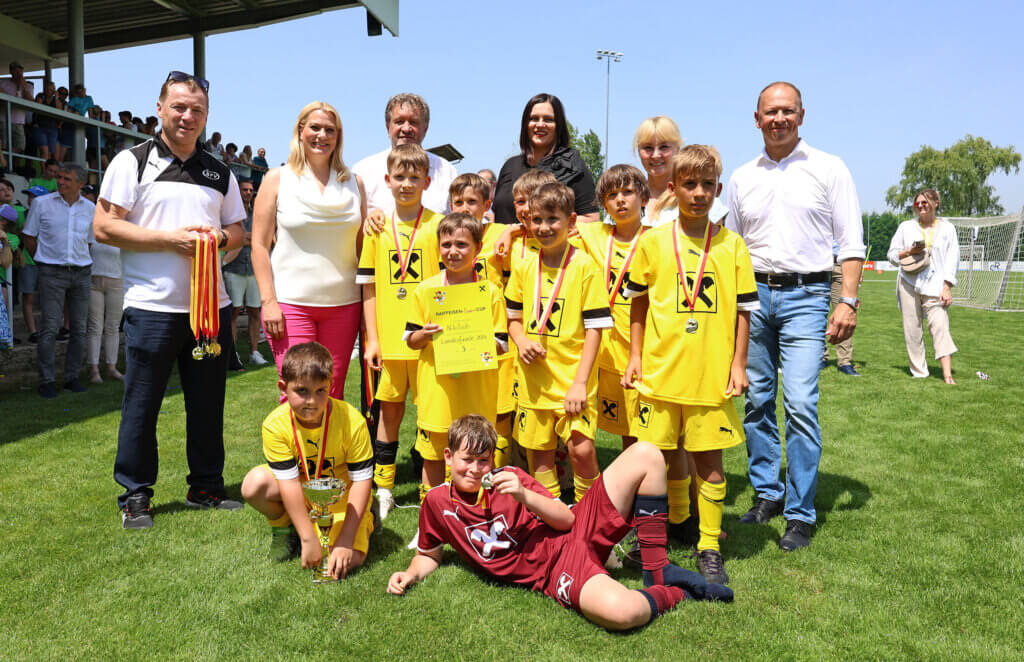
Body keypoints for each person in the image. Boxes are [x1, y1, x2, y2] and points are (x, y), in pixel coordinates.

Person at [387, 415, 733, 631]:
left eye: (483, 460)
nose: (476, 469)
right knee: (624, 613)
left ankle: (657, 570)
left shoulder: (510, 477)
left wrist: (525, 495)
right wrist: (410, 573)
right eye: (467, 460)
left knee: (647, 454)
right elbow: (429, 554)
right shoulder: (435, 502)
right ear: (448, 457)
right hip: (555, 568)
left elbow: (567, 519)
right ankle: (674, 593)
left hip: (574, 528)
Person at [92, 70, 247, 529]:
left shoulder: (219, 171)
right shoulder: (131, 161)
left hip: (208, 307)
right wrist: (169, 241)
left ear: (207, 116)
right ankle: (135, 494)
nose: (187, 116)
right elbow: (104, 226)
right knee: (142, 404)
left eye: (197, 109)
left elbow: (238, 231)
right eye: (179, 106)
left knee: (207, 403)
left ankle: (206, 487)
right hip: (152, 307)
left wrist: (216, 240)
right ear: (160, 108)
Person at [725, 82, 865, 551]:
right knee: (757, 399)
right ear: (757, 118)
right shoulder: (743, 177)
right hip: (754, 298)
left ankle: (801, 514)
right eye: (771, 112)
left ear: (802, 115)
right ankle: (767, 493)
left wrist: (847, 300)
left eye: (787, 111)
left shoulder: (829, 168)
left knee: (800, 403)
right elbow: (733, 248)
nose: (779, 118)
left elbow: (850, 242)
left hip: (808, 294)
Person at [622, 146, 757, 584]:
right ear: (674, 188)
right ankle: (657, 538)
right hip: (660, 373)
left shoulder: (732, 245)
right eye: (689, 185)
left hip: (710, 376)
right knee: (654, 458)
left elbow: (743, 311)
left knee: (710, 463)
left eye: (707, 186)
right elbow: (637, 305)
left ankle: (709, 546)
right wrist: (637, 356)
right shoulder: (652, 242)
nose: (699, 193)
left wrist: (738, 365)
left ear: (718, 189)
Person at [505, 182, 612, 503]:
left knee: (581, 449)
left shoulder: (585, 267)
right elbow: (512, 318)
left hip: (572, 381)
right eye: (536, 220)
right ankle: (550, 519)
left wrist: (580, 383)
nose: (544, 227)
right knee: (539, 454)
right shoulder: (524, 266)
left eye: (552, 219)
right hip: (534, 382)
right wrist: (521, 340)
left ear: (572, 221)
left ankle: (589, 517)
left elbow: (595, 329)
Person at [251, 101, 367, 396]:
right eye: (315, 127)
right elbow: (259, 245)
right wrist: (268, 302)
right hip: (290, 305)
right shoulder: (276, 178)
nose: (322, 135)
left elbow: (363, 248)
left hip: (344, 305)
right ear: (300, 131)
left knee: (332, 395)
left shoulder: (356, 183)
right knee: (297, 394)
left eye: (330, 129)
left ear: (338, 136)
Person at [355, 143, 445, 519]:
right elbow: (369, 287)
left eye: (414, 178)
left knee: (432, 420)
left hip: (429, 344)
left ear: (426, 181)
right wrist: (371, 339)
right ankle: (384, 491)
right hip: (390, 342)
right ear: (387, 181)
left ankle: (434, 497)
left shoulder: (439, 225)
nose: (407, 184)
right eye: (400, 178)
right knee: (388, 417)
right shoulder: (377, 229)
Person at [240, 342, 375, 575]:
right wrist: (307, 536)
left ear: (330, 386)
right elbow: (289, 483)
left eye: (320, 390)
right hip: (302, 493)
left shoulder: (352, 421)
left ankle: (365, 520)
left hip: (343, 499)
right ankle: (284, 530)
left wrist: (345, 538)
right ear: (283, 387)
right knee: (254, 484)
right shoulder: (275, 425)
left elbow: (362, 482)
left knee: (342, 562)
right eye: (302, 391)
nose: (311, 401)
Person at [404, 212, 507, 503]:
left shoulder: (490, 292)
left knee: (479, 455)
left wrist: (476, 336)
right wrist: (425, 334)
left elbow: (501, 343)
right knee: (434, 457)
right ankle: (431, 521)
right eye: (447, 244)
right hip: (438, 392)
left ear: (477, 248)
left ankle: (481, 516)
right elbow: (411, 340)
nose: (453, 251)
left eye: (461, 244)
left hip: (477, 393)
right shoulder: (425, 290)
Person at [571, 164, 650, 453]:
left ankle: (674, 493)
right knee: (626, 430)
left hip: (646, 349)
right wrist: (510, 231)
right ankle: (633, 488)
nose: (620, 199)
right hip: (607, 352)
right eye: (612, 194)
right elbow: (547, 218)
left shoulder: (656, 239)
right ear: (603, 202)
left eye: (628, 192)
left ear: (643, 198)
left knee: (659, 432)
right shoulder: (595, 234)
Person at [448, 173, 515, 467]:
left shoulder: (497, 232)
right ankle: (461, 472)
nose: (465, 208)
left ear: (487, 204)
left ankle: (496, 473)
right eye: (458, 201)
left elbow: (530, 225)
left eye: (472, 202)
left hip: (495, 334)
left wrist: (511, 230)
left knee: (499, 410)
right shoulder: (448, 235)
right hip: (459, 336)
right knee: (462, 408)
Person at [22, 163, 95, 398]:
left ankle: (72, 377)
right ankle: (47, 380)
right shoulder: (42, 204)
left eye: (66, 179)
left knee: (79, 328)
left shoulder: (91, 208)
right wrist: (43, 260)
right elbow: (28, 236)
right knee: (49, 328)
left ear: (80, 184)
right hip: (51, 272)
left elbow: (90, 241)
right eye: (59, 177)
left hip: (82, 272)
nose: (59, 181)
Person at [886, 188, 959, 384]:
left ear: (936, 203)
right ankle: (919, 372)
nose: (921, 206)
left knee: (940, 326)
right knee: (912, 329)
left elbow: (953, 260)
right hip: (908, 283)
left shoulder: (948, 229)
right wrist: (909, 251)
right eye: (917, 203)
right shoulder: (905, 227)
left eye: (925, 202)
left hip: (936, 285)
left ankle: (947, 374)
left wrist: (947, 287)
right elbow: (891, 255)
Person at [492, 94, 600, 225]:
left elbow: (591, 219)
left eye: (548, 119)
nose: (540, 124)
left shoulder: (571, 165)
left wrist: (522, 231)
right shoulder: (510, 166)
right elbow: (497, 215)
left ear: (558, 126)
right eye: (534, 119)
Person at [352, 93, 457, 214]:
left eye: (414, 122)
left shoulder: (446, 171)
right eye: (399, 121)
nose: (406, 128)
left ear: (426, 128)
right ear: (388, 126)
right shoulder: (363, 171)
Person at [633, 116, 727, 227]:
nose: (656, 155)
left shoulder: (704, 200)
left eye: (664, 147)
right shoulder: (625, 197)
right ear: (638, 151)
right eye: (648, 148)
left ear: (677, 149)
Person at [223, 177, 266, 368]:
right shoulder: (230, 214)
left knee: (255, 312)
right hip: (234, 269)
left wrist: (250, 239)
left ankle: (254, 352)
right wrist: (243, 239)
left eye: (250, 190)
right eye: (244, 189)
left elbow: (265, 240)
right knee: (233, 313)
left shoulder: (258, 214)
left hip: (254, 270)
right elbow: (229, 240)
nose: (248, 192)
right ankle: (233, 355)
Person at [85, 224, 123, 384]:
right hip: (93, 282)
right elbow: (85, 252)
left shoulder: (123, 229)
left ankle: (112, 368)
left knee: (112, 326)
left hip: (117, 282)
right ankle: (94, 370)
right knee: (95, 326)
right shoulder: (92, 228)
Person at [824, 241, 861, 375]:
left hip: (841, 266)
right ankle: (820, 357)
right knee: (816, 314)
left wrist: (857, 269)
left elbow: (855, 242)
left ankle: (844, 361)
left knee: (845, 314)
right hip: (817, 265)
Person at [0, 62, 35, 158]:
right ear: (11, 71)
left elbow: (31, 102)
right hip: (4, 119)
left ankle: (8, 164)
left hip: (19, 121)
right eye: (16, 70)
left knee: (20, 146)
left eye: (20, 71)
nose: (19, 73)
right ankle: (5, 165)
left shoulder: (28, 86)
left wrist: (24, 87)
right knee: (3, 145)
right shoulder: (3, 82)